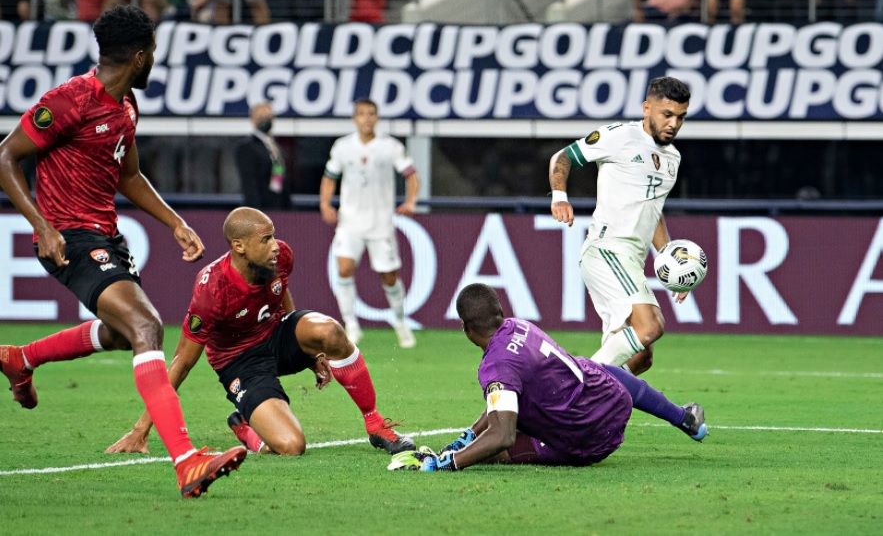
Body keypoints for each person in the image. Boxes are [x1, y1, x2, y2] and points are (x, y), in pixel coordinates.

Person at [0, 5, 246, 499]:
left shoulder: (126, 106)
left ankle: (21, 358)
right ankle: (186, 461)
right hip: (69, 237)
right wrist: (42, 227)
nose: (155, 59)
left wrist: (174, 222)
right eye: (153, 51)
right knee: (146, 326)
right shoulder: (69, 100)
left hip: (106, 237)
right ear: (139, 56)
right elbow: (6, 156)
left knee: (119, 332)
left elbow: (128, 175)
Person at [106, 207, 417, 456]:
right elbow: (182, 363)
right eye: (265, 239)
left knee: (330, 332)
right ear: (239, 246)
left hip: (274, 335)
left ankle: (376, 425)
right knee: (292, 446)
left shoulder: (280, 256)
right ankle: (246, 427)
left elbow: (281, 293)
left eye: (273, 237)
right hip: (240, 362)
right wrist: (142, 427)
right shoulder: (212, 290)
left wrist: (309, 352)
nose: (274, 246)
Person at [389, 283, 707, 472]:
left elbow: (502, 434)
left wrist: (450, 461)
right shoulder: (519, 326)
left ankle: (453, 458)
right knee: (589, 367)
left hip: (587, 442)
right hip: (612, 403)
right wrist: (469, 434)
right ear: (500, 311)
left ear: (467, 329)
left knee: (498, 450)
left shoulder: (496, 367)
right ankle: (683, 418)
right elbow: (503, 400)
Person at [548, 76, 693, 376]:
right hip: (607, 250)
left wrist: (669, 259)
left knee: (641, 358)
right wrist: (560, 197)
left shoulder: (673, 159)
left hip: (631, 262)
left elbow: (653, 210)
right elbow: (563, 157)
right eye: (667, 115)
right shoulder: (619, 136)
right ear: (647, 108)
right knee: (650, 326)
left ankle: (587, 412)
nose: (674, 124)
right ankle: (573, 384)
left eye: (681, 117)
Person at [319, 98, 419, 348]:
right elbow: (329, 177)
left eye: (371, 113)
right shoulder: (343, 147)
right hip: (350, 221)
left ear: (377, 117)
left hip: (380, 223)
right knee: (343, 269)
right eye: (361, 113)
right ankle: (351, 325)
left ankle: (399, 320)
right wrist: (325, 204)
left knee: (389, 276)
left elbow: (411, 174)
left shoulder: (390, 146)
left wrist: (411, 201)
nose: (366, 118)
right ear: (354, 118)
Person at [235, 102, 291, 210]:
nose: (265, 120)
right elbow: (249, 184)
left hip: (279, 207)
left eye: (268, 116)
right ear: (253, 120)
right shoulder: (247, 148)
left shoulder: (275, 146)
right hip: (261, 209)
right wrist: (256, 213)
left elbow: (278, 174)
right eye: (261, 117)